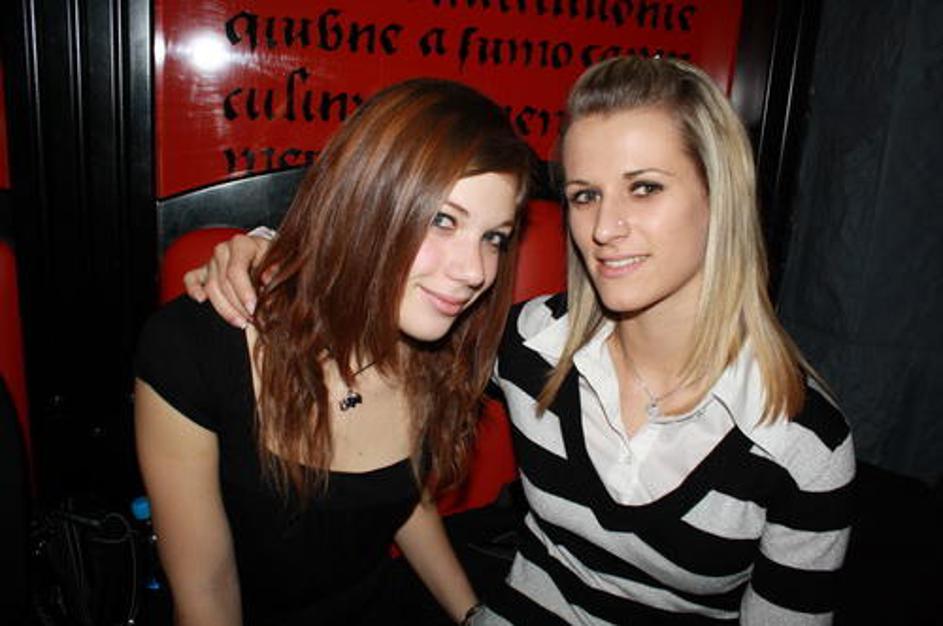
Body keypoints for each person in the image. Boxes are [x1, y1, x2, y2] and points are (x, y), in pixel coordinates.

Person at [188, 57, 855, 625]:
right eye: (584, 195)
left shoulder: (804, 443)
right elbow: (377, 303)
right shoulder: (532, 345)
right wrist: (270, 257)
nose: (604, 228)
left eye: (644, 188)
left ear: (720, 197)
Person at [136, 78, 533, 626]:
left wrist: (471, 615)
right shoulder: (195, 349)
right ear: (366, 202)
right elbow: (207, 593)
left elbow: (397, 496)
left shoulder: (436, 347)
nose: (474, 272)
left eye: (495, 237)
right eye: (442, 220)